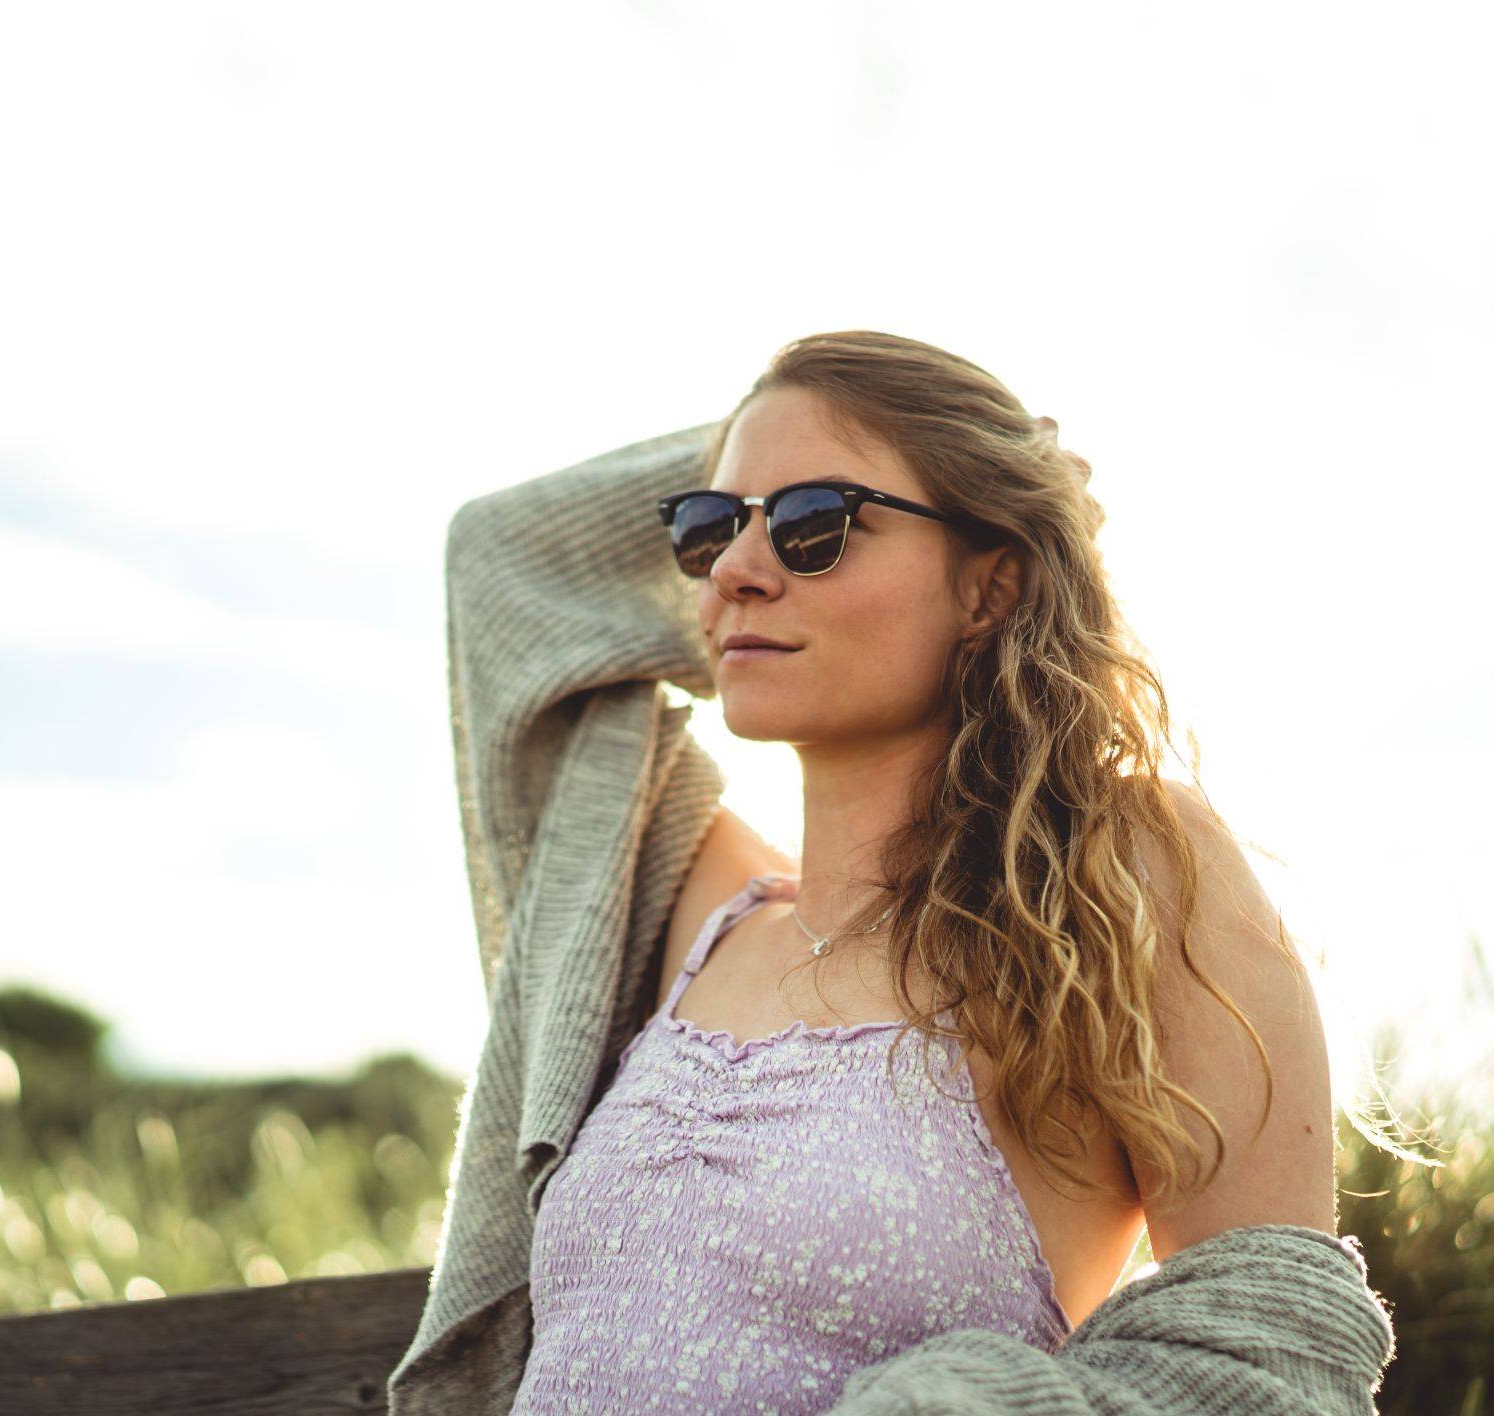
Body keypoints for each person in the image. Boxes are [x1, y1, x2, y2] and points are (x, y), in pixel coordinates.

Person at [389, 330, 1397, 1415]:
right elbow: (500, 561)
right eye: (707, 527)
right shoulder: (677, 912)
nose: (734, 569)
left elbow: (1268, 1361)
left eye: (816, 525)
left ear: (988, 586)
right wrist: (802, 437)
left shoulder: (1117, 881)